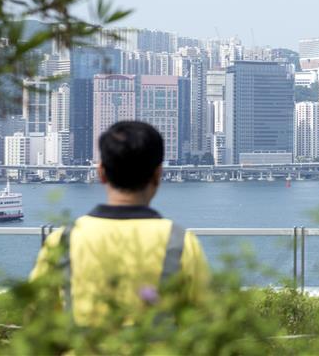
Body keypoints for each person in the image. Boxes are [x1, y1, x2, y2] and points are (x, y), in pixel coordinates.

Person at [30, 120, 209, 325]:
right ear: (158, 174)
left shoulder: (62, 241)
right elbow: (204, 322)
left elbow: (36, 321)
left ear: (101, 173)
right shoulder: (181, 242)